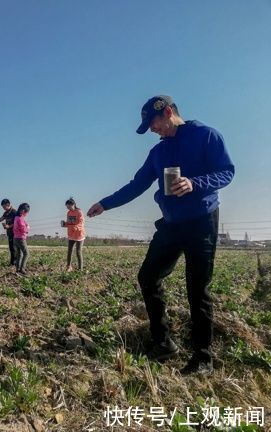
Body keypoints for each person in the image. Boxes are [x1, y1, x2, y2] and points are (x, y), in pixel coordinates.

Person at [87, 95, 234, 375]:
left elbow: (226, 172)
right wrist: (105, 203)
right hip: (171, 224)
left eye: (153, 123)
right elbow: (137, 184)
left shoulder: (206, 136)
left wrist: (195, 183)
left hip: (202, 221)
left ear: (168, 112)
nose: (152, 130)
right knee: (148, 277)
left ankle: (203, 357)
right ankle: (163, 342)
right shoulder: (158, 153)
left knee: (197, 288)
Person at [61, 197, 85, 272]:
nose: (68, 208)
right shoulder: (69, 213)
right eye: (67, 207)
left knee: (78, 251)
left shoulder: (79, 212)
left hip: (79, 235)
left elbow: (81, 223)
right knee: (69, 251)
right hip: (71, 234)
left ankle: (80, 269)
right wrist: (64, 224)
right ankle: (68, 267)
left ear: (73, 204)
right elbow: (69, 223)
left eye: (69, 206)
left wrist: (76, 227)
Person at [13, 203, 30, 276]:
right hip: (21, 239)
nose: (26, 214)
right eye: (26, 212)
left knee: (19, 254)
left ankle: (18, 270)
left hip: (15, 238)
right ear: (23, 211)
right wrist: (28, 228)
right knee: (26, 253)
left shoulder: (16, 217)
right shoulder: (20, 219)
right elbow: (24, 230)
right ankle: (22, 269)